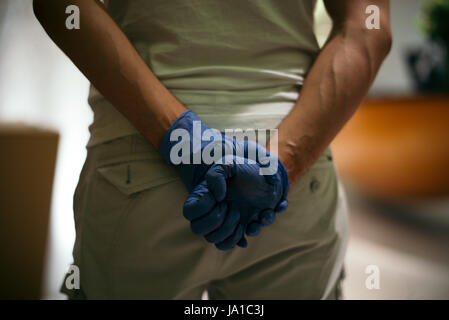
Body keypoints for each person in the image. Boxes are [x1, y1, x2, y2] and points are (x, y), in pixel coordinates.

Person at [33, 0, 392, 299]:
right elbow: (367, 29)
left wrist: (188, 143)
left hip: (141, 173)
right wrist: (278, 167)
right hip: (292, 186)